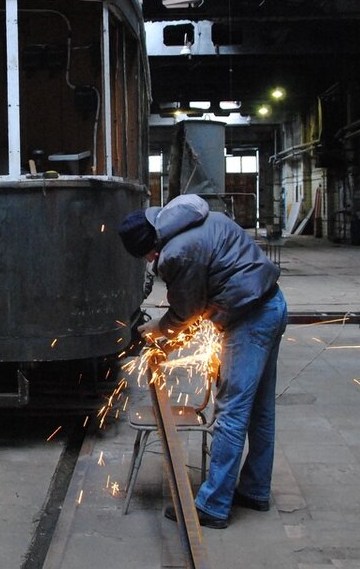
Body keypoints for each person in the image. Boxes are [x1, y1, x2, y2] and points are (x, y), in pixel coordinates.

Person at [118, 193, 287, 529]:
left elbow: (188, 311)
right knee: (260, 410)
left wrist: (159, 329)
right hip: (272, 305)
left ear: (152, 243)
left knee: (231, 413)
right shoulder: (194, 220)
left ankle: (213, 504)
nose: (152, 259)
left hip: (249, 320)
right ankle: (255, 489)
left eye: (149, 255)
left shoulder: (177, 252)